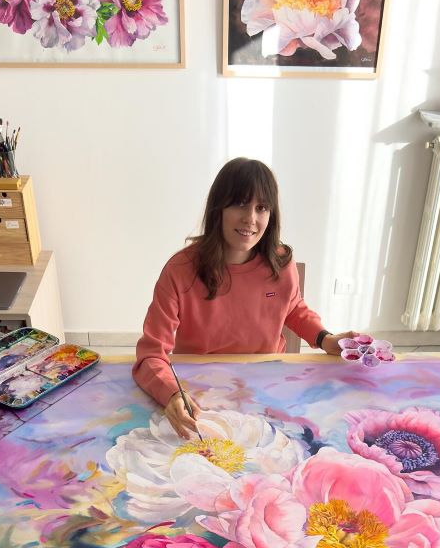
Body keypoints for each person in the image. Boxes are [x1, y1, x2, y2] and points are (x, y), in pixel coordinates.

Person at [133, 157, 354, 437]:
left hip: (268, 388)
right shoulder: (179, 270)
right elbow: (151, 354)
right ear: (219, 208)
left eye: (261, 208)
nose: (250, 218)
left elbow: (293, 308)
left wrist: (325, 338)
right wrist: (171, 394)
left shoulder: (281, 261)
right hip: (199, 394)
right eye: (239, 203)